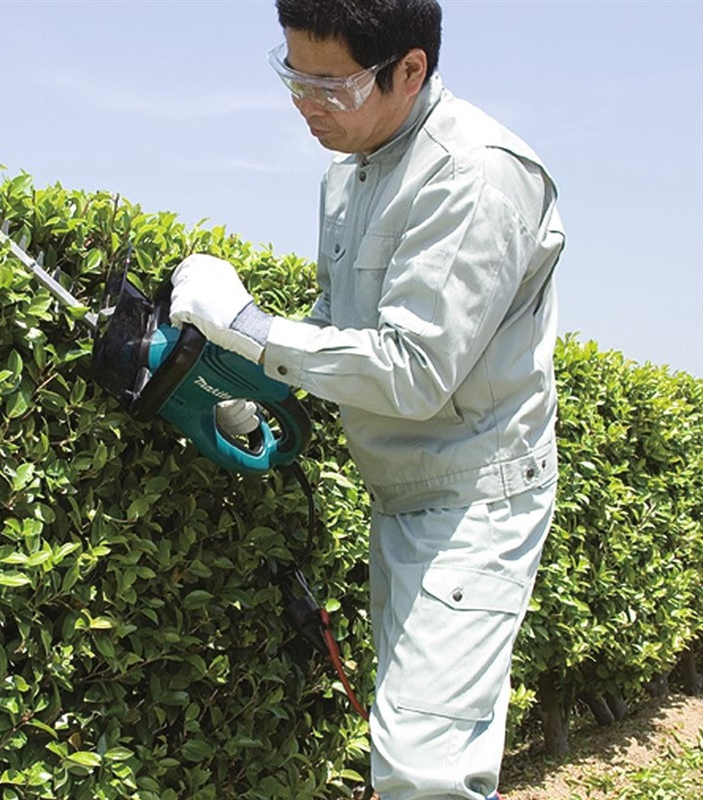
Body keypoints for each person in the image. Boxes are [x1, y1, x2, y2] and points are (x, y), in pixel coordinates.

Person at [169, 1, 565, 798]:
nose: (306, 105)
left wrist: (247, 325)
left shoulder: (475, 174)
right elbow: (338, 331)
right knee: (414, 743)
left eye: (333, 86)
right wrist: (248, 380)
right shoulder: (348, 174)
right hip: (402, 494)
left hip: (474, 498)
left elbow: (414, 369)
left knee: (425, 771)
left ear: (409, 69)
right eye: (294, 78)